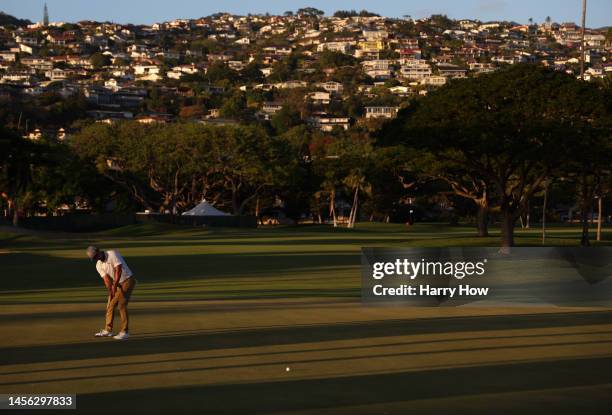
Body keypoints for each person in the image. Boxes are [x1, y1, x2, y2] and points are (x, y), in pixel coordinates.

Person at [86, 246, 136, 340]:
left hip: (128, 280)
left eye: (96, 256)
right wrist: (111, 291)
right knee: (110, 305)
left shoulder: (112, 254)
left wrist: (115, 286)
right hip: (116, 284)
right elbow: (106, 280)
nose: (96, 259)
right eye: (94, 258)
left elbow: (118, 270)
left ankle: (125, 332)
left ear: (99, 251)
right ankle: (108, 330)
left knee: (121, 305)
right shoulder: (98, 265)